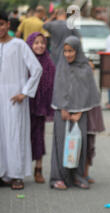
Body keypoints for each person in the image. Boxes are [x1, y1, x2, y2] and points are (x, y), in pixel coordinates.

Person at [49, 36, 100, 190]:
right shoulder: (61, 66)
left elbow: (90, 92)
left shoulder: (85, 68)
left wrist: (80, 111)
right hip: (62, 113)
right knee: (61, 144)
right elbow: (58, 89)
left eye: (71, 51)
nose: (67, 54)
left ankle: (77, 177)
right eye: (65, 51)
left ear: (77, 50)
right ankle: (58, 178)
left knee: (78, 145)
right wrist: (63, 108)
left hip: (80, 114)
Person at [0, 11, 43, 190]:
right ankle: (3, 174)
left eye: (2, 24)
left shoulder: (19, 45)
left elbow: (37, 69)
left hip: (14, 99)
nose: (0, 28)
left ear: (8, 25)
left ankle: (17, 175)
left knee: (15, 135)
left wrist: (24, 93)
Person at [26, 32, 56, 184]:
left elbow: (51, 85)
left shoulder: (49, 62)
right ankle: (17, 170)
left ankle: (38, 168)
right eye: (36, 42)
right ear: (30, 44)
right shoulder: (23, 61)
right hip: (24, 107)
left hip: (40, 108)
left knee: (38, 137)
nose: (40, 45)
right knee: (22, 137)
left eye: (42, 42)